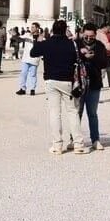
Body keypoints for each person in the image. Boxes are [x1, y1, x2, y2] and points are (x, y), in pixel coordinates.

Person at [30, 19, 87, 155]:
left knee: (55, 113)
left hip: (50, 80)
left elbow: (33, 53)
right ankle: (78, 144)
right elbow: (78, 59)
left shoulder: (46, 43)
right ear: (65, 30)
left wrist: (39, 39)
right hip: (67, 81)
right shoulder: (71, 44)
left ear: (52, 30)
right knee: (72, 112)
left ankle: (57, 145)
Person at [76, 22, 110, 150]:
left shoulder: (100, 46)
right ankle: (74, 139)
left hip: (94, 83)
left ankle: (95, 139)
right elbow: (70, 58)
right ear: (82, 34)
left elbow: (104, 63)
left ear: (95, 35)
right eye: (86, 36)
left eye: (91, 37)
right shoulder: (77, 44)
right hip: (78, 84)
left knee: (92, 113)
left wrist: (93, 57)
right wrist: (82, 55)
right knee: (77, 113)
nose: (89, 39)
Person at [15, 23, 41, 96]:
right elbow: (19, 39)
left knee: (33, 75)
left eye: (33, 27)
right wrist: (14, 35)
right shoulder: (27, 35)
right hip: (26, 58)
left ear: (37, 28)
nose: (31, 28)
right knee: (23, 73)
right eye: (31, 27)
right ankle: (22, 88)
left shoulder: (41, 37)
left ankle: (32, 89)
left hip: (35, 59)